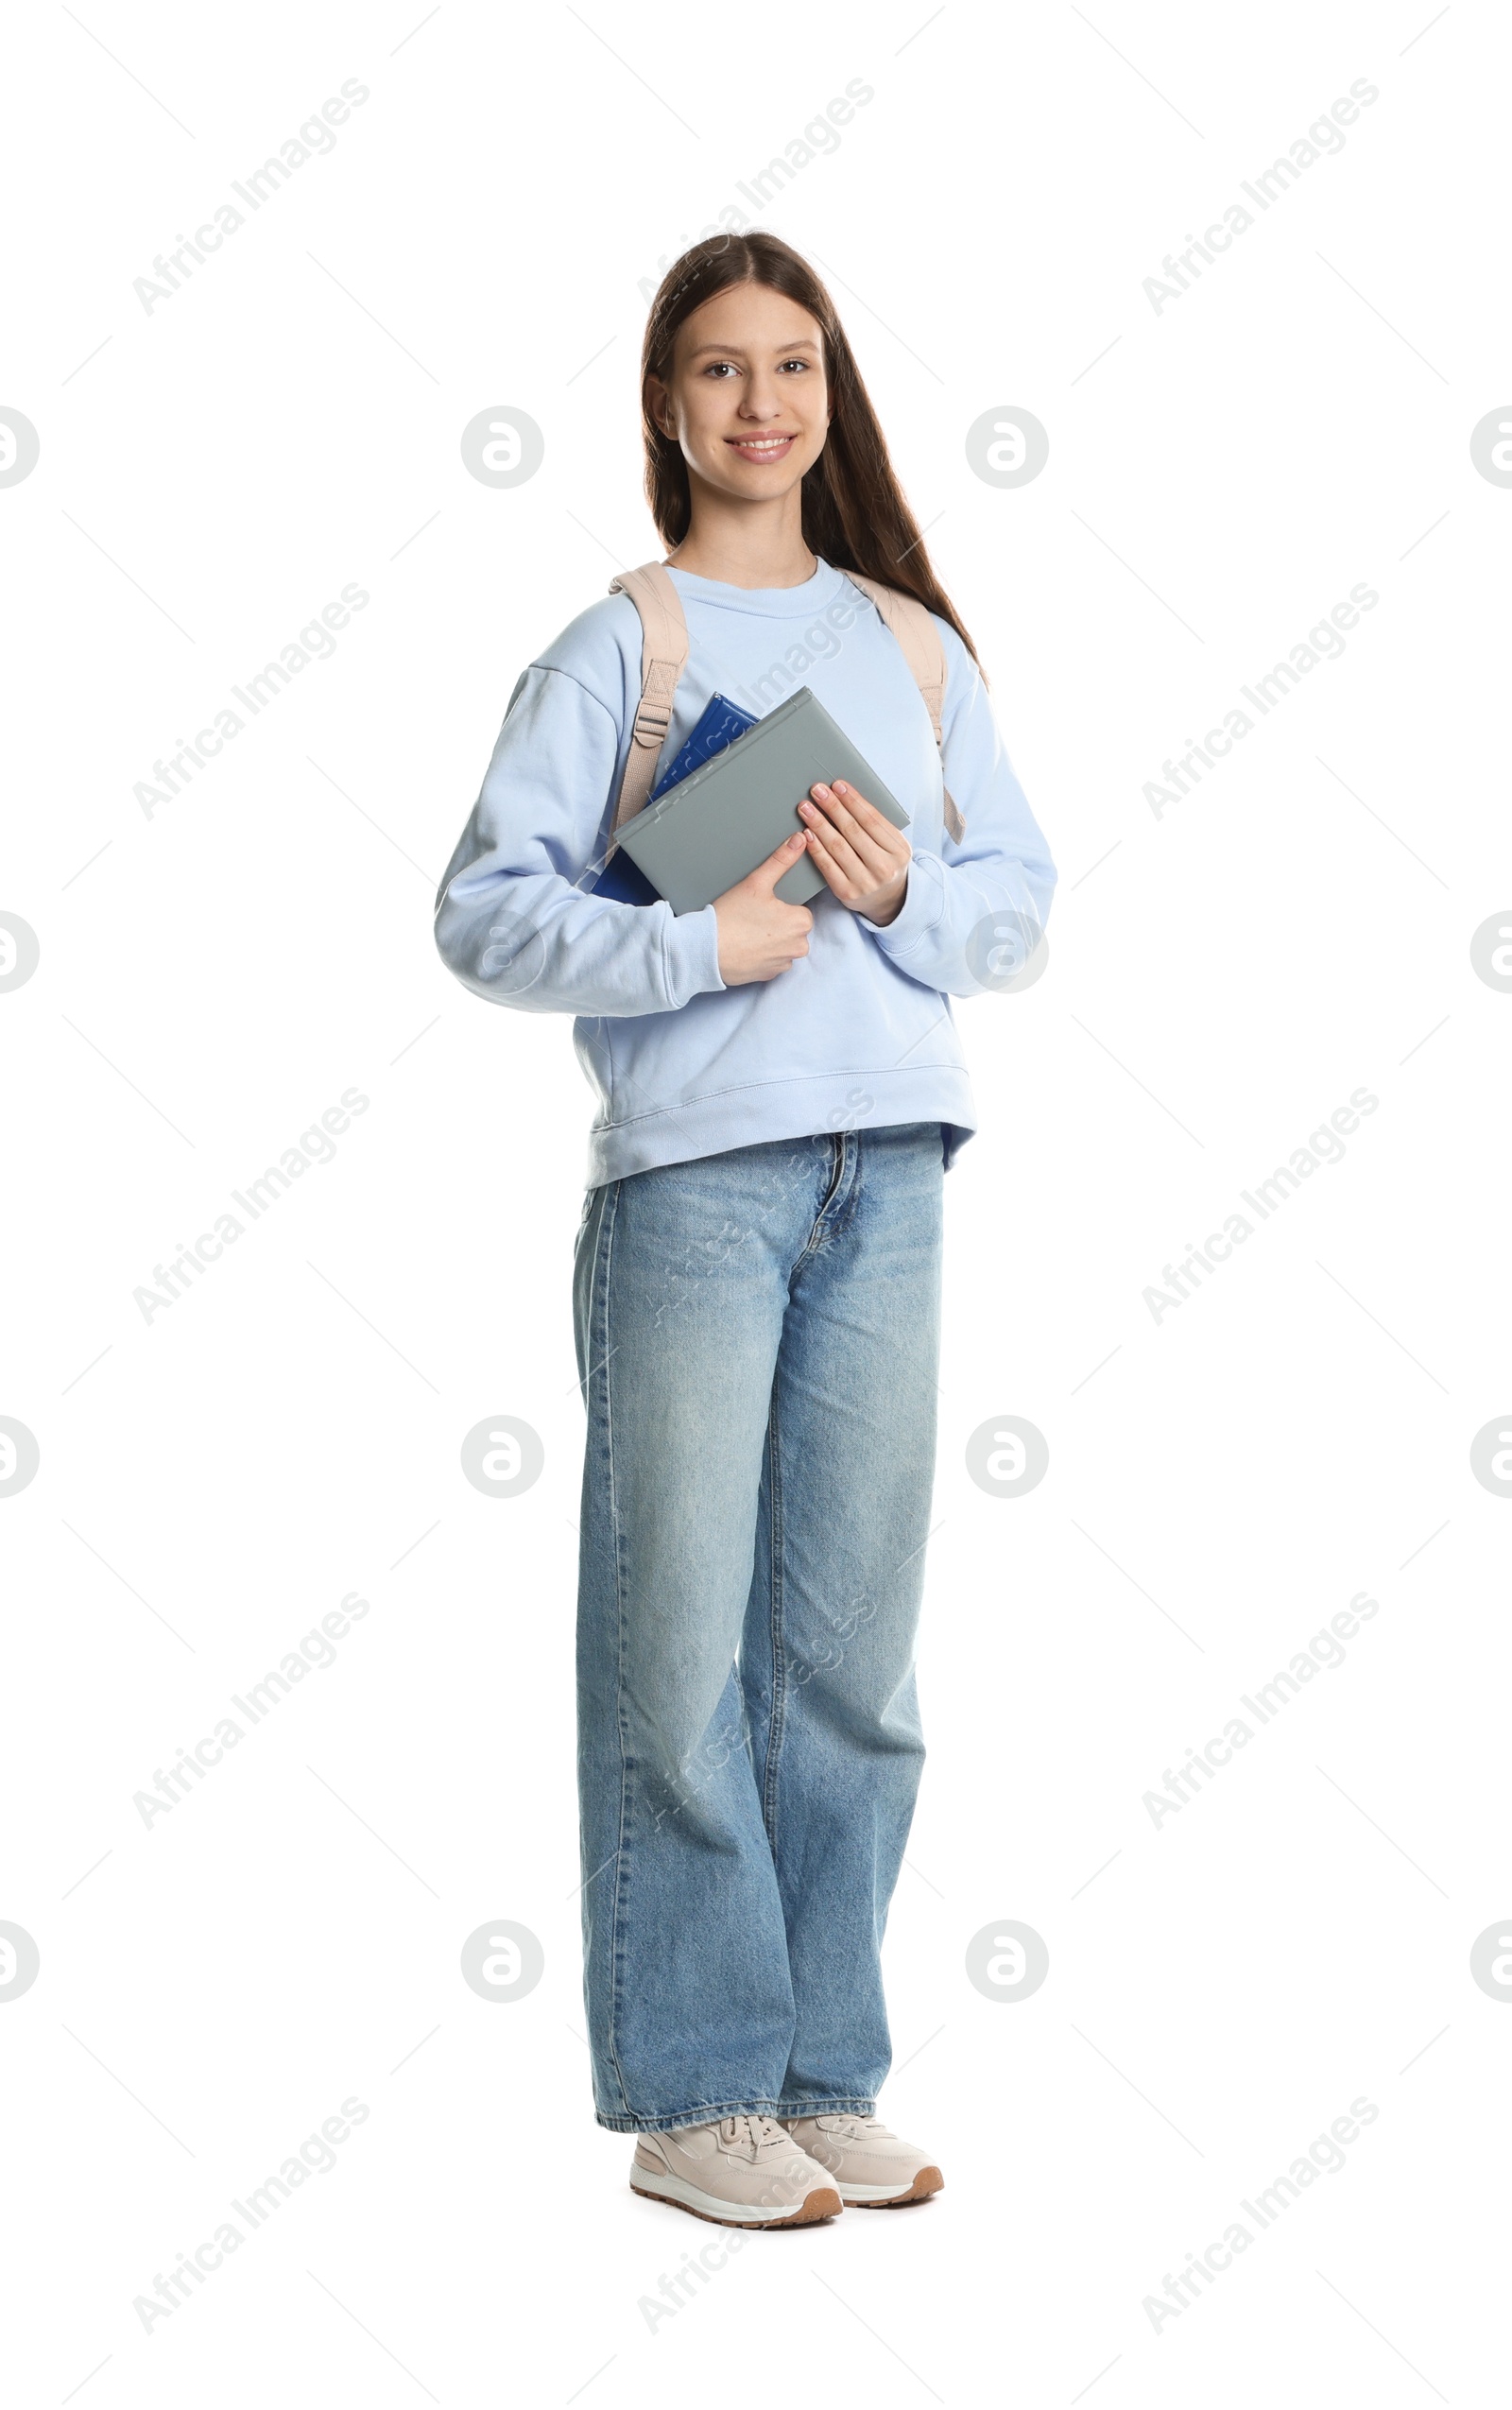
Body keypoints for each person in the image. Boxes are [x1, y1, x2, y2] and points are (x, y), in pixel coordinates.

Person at [434, 232, 1057, 2229]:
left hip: (895, 1173)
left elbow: (1012, 905)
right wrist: (704, 934)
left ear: (830, 393)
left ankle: (815, 2069)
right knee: (678, 1641)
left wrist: (893, 900)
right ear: (661, 406)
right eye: (718, 370)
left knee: (850, 1657)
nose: (760, 403)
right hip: (696, 1186)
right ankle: (695, 2095)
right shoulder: (626, 647)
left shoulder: (913, 642)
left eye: (791, 365)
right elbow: (481, 910)